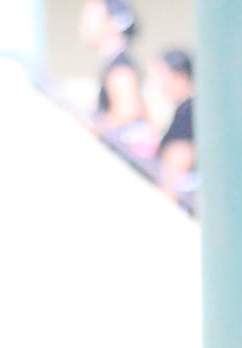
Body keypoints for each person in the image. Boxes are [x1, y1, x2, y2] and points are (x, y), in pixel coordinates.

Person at [79, 0, 157, 162]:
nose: (82, 26)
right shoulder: (119, 63)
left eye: (89, 20)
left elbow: (128, 110)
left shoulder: (119, 67)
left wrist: (95, 128)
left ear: (112, 23)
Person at [151, 48, 196, 205]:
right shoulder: (184, 111)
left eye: (162, 77)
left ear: (181, 77)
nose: (159, 85)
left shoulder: (188, 113)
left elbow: (179, 162)